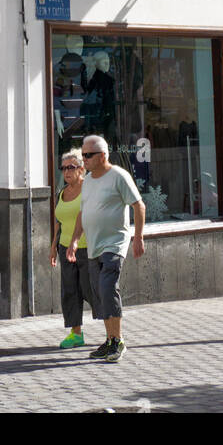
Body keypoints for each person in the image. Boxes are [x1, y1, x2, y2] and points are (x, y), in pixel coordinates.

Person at [67, 133, 145, 363]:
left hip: (115, 243)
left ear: (103, 155)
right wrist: (73, 240)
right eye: (83, 155)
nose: (85, 160)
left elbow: (138, 205)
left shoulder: (119, 176)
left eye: (88, 155)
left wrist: (138, 237)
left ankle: (118, 340)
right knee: (99, 293)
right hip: (94, 245)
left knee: (108, 286)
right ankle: (110, 339)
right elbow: (83, 211)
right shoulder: (88, 180)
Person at [49, 148, 101, 348]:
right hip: (65, 249)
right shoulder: (62, 193)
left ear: (81, 169)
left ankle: (111, 331)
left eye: (71, 167)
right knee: (70, 291)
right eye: (63, 168)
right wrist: (54, 246)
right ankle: (76, 333)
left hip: (88, 248)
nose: (66, 172)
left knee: (92, 290)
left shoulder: (90, 190)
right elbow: (58, 221)